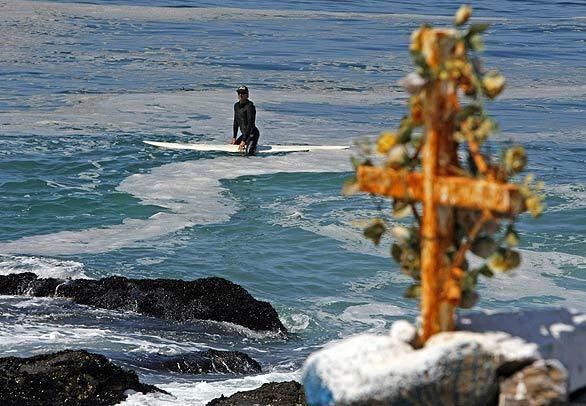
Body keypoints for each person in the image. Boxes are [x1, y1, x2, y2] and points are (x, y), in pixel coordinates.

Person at [231, 85, 260, 155]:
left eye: (243, 93)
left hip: (252, 134)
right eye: (239, 93)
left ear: (247, 95)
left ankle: (253, 145)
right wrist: (234, 137)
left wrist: (243, 140)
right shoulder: (236, 106)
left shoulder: (250, 106)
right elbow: (236, 122)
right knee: (234, 148)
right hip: (245, 134)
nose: (240, 95)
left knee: (249, 153)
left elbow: (250, 124)